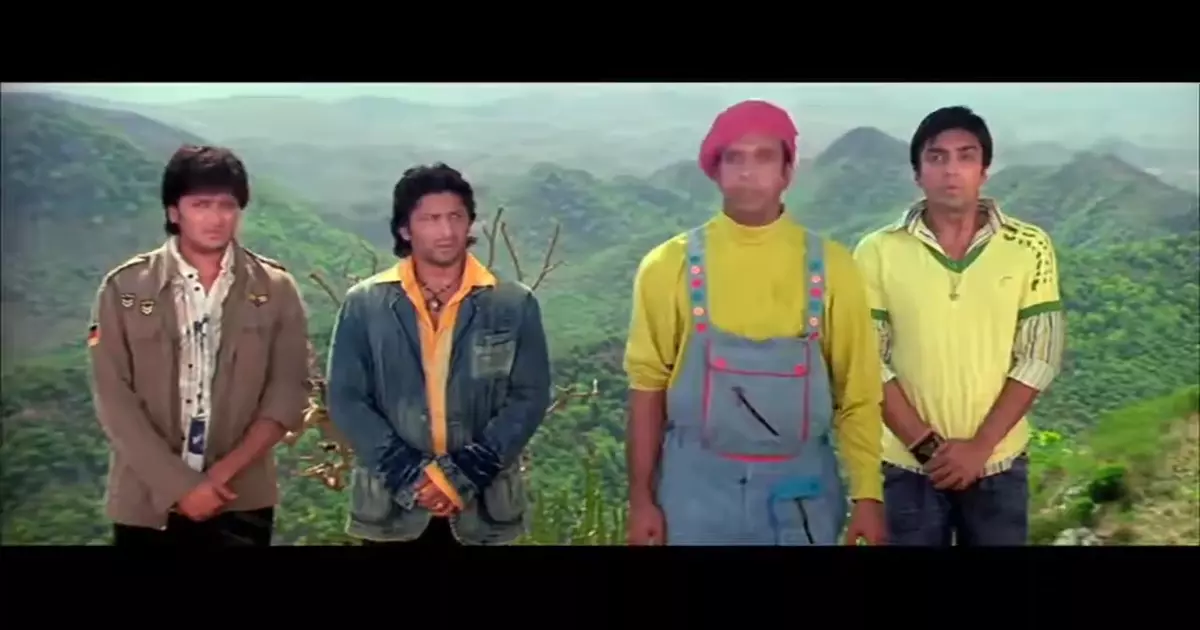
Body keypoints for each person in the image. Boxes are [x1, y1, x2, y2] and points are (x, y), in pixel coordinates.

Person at [623, 100, 887, 546]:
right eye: (734, 158)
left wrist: (867, 494)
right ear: (716, 170)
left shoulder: (834, 268)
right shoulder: (667, 267)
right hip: (692, 498)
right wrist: (641, 500)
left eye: (764, 157)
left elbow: (857, 395)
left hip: (801, 499)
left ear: (787, 172)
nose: (748, 172)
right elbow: (647, 390)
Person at [852, 106, 1066, 546]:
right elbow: (865, 360)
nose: (951, 170)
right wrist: (929, 450)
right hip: (907, 468)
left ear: (984, 170)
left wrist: (980, 447)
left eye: (965, 156)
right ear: (918, 173)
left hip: (999, 466)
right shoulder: (877, 251)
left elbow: (1040, 355)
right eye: (937, 157)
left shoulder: (1028, 247)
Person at [87, 144, 311, 547]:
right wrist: (181, 485)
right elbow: (114, 400)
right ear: (174, 212)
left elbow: (287, 393)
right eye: (201, 205)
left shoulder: (276, 289)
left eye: (227, 206)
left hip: (241, 498)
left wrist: (219, 476)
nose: (216, 218)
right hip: (146, 501)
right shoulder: (124, 288)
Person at [326, 162, 551, 547]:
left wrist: (459, 476)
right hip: (390, 510)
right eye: (430, 219)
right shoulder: (365, 305)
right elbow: (347, 399)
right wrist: (413, 477)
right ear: (405, 229)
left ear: (470, 223)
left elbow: (529, 398)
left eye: (455, 217)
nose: (446, 231)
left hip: (485, 511)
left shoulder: (512, 304)